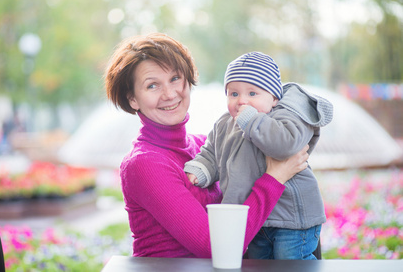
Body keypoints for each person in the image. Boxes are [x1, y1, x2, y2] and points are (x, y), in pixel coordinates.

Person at [104, 33, 309, 258]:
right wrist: (275, 178)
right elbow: (216, 247)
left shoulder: (207, 145)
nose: (170, 94)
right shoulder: (145, 163)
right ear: (132, 98)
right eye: (152, 85)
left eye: (175, 79)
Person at [184, 51, 333, 259]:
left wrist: (251, 121)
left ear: (273, 98)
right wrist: (200, 170)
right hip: (255, 218)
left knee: (290, 263)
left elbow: (285, 146)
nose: (242, 101)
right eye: (233, 94)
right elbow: (212, 153)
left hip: (291, 219)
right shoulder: (225, 123)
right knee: (256, 265)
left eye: (252, 94)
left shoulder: (286, 118)